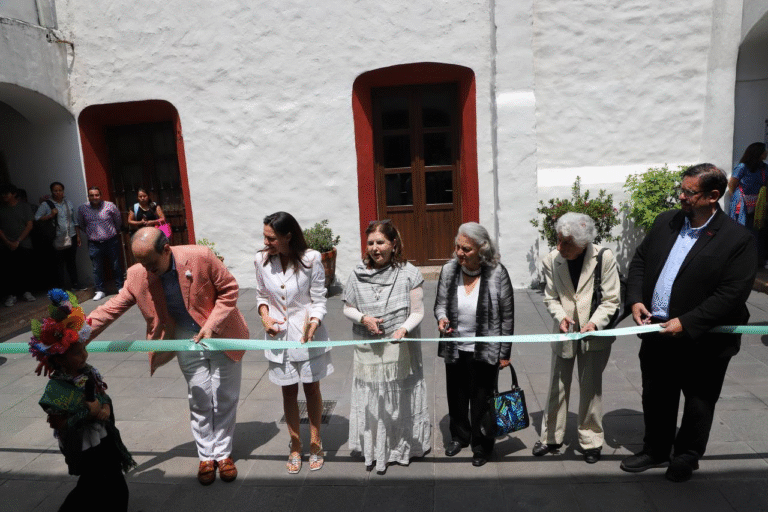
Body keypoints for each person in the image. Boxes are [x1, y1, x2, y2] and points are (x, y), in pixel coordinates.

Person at [621, 164, 757, 482]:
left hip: (704, 339)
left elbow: (731, 294)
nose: (681, 196)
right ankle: (655, 449)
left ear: (713, 196)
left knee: (699, 400)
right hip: (658, 331)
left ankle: (686, 456)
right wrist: (636, 300)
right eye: (680, 190)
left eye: (688, 192)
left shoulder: (737, 239)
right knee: (656, 395)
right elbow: (640, 260)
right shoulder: (666, 222)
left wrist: (689, 321)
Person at [87, 227, 248, 485]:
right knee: (199, 394)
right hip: (184, 335)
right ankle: (207, 455)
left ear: (165, 249)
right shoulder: (138, 274)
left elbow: (229, 289)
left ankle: (223, 454)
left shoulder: (200, 256)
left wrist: (212, 324)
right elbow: (110, 308)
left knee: (224, 394)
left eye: (151, 263)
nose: (146, 269)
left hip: (220, 331)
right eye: (140, 263)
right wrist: (75, 334)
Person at [29, 289, 135, 512]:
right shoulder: (56, 389)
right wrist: (89, 412)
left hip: (103, 438)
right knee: (89, 487)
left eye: (83, 350)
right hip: (86, 449)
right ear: (60, 359)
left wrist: (104, 405)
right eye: (77, 353)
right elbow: (61, 425)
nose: (84, 356)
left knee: (116, 484)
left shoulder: (88, 372)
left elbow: (102, 394)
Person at [343, 220, 431, 474]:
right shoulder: (357, 273)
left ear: (393, 244)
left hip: (401, 346)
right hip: (369, 348)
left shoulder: (408, 273)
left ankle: (401, 447)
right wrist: (363, 318)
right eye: (370, 243)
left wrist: (403, 329)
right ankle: (375, 449)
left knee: (399, 397)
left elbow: (418, 311)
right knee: (374, 398)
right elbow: (347, 307)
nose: (374, 248)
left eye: (380, 242)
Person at [532, 213, 619, 464]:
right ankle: (551, 437)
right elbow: (550, 296)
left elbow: (611, 299)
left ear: (583, 243)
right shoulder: (552, 259)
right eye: (558, 240)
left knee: (591, 388)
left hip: (594, 335)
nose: (560, 247)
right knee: (556, 386)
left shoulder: (604, 257)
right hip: (564, 332)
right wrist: (560, 316)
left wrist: (594, 322)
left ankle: (591, 439)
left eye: (566, 243)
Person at [256, 212, 332, 474]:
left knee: (311, 389)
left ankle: (315, 440)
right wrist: (265, 317)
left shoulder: (311, 259)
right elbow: (261, 295)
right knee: (288, 391)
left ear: (288, 236)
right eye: (264, 237)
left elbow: (320, 298)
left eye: (271, 238)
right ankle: (296, 445)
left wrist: (314, 322)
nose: (266, 242)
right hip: (278, 337)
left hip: (307, 334)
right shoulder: (261, 260)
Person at [434, 222, 514, 467]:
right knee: (456, 397)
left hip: (485, 350)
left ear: (482, 248)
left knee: (482, 399)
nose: (460, 253)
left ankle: (482, 445)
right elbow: (439, 305)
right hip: (456, 347)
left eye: (466, 249)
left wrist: (504, 352)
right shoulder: (449, 271)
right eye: (458, 247)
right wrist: (441, 318)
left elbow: (507, 316)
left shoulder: (497, 273)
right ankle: (459, 437)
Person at [35, 182, 84, 290]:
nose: (58, 193)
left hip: (71, 235)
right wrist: (50, 215)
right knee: (58, 263)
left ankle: (75, 284)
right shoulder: (46, 205)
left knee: (71, 261)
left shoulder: (68, 203)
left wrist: (78, 236)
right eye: (55, 191)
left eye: (60, 190)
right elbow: (37, 218)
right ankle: (61, 286)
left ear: (63, 191)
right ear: (52, 192)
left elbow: (74, 221)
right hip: (56, 237)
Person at [77, 186, 124, 301]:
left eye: (96, 195)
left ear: (100, 195)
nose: (94, 197)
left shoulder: (110, 206)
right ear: (88, 197)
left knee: (116, 264)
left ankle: (121, 287)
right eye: (92, 195)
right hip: (94, 243)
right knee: (97, 268)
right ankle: (100, 290)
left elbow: (118, 220)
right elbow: (81, 224)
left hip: (111, 241)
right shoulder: (82, 208)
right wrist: (90, 233)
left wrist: (114, 230)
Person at [728, 142, 768, 265]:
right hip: (742, 201)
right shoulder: (742, 167)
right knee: (741, 228)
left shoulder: (765, 168)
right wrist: (738, 198)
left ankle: (754, 259)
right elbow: (732, 184)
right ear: (758, 153)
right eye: (764, 151)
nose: (766, 153)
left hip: (758, 202)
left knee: (756, 229)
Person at [0, 182, 36, 307]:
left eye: (6, 193)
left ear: (14, 194)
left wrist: (18, 241)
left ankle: (27, 292)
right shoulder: (1, 209)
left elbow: (29, 225)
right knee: (10, 270)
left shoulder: (24, 207)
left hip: (24, 243)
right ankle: (12, 295)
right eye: (2, 194)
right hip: (7, 245)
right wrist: (8, 242)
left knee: (25, 269)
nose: (4, 196)